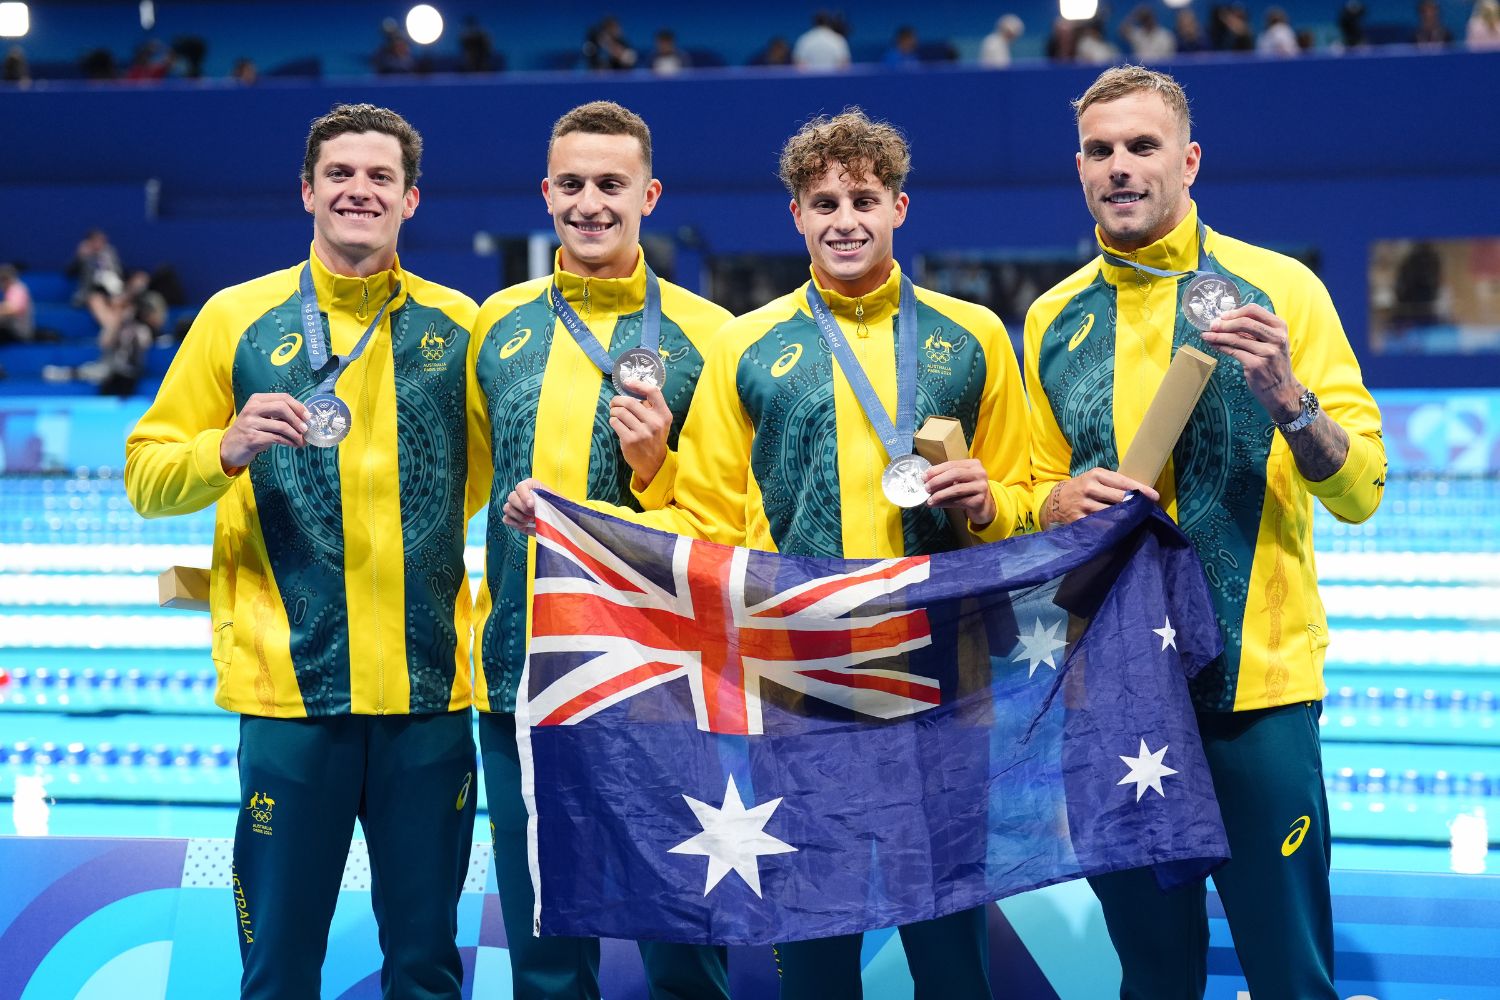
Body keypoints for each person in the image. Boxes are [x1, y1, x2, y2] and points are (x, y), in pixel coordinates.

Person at [506, 107, 1033, 1000]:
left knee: (948, 938)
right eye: (823, 200)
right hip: (799, 687)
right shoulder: (744, 345)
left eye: (864, 198)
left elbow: (1024, 503)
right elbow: (701, 521)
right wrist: (575, 518)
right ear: (796, 215)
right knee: (815, 943)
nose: (845, 219)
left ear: (900, 206)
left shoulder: (973, 335)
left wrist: (989, 503)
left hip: (940, 673)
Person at [1023, 65, 1384, 999]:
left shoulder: (1280, 289)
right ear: (1079, 169)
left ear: (1188, 160)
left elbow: (1362, 489)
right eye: (1101, 151)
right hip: (1113, 695)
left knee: (1290, 976)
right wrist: (1054, 503)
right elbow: (1029, 490)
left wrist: (1288, 399)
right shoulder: (1052, 319)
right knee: (1152, 978)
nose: (1120, 167)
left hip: (1255, 693)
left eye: (1142, 147)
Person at [124, 103, 480, 999]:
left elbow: (493, 475)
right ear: (308, 191)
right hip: (288, 699)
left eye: (380, 178)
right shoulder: (235, 319)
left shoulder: (460, 324)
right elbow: (144, 475)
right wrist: (224, 449)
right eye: (341, 174)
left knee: (427, 967)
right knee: (279, 967)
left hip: (428, 694)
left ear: (411, 200)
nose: (359, 190)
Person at [466, 100, 733, 1000]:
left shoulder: (713, 336)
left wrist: (656, 469)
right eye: (572, 184)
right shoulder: (497, 325)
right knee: (545, 951)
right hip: (520, 674)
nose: (591, 203)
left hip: (666, 685)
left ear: (648, 194)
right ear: (546, 193)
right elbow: (468, 479)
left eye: (611, 184)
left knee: (683, 942)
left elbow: (733, 522)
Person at [0, 265, 34, 343]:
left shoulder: (17, 289)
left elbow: (14, 309)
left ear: (5, 279)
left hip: (19, 332)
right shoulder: (10, 289)